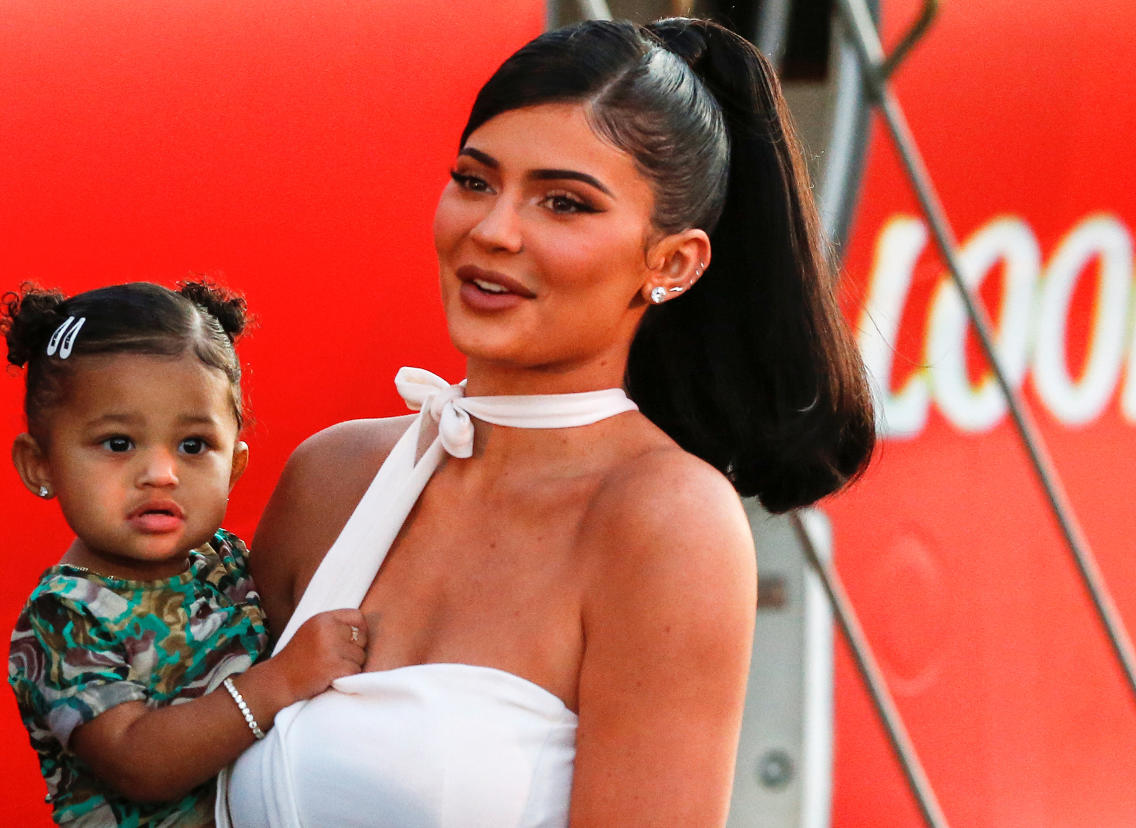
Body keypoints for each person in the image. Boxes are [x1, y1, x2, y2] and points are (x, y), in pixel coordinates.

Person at [222, 17, 875, 827]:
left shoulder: (666, 520)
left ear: (672, 263)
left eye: (564, 203)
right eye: (474, 180)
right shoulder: (331, 477)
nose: (493, 231)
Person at [2, 281, 369, 827]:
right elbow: (139, 764)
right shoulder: (66, 615)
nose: (161, 474)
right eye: (118, 443)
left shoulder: (224, 561)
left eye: (193, 446)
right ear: (41, 464)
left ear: (235, 466)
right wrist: (279, 682)